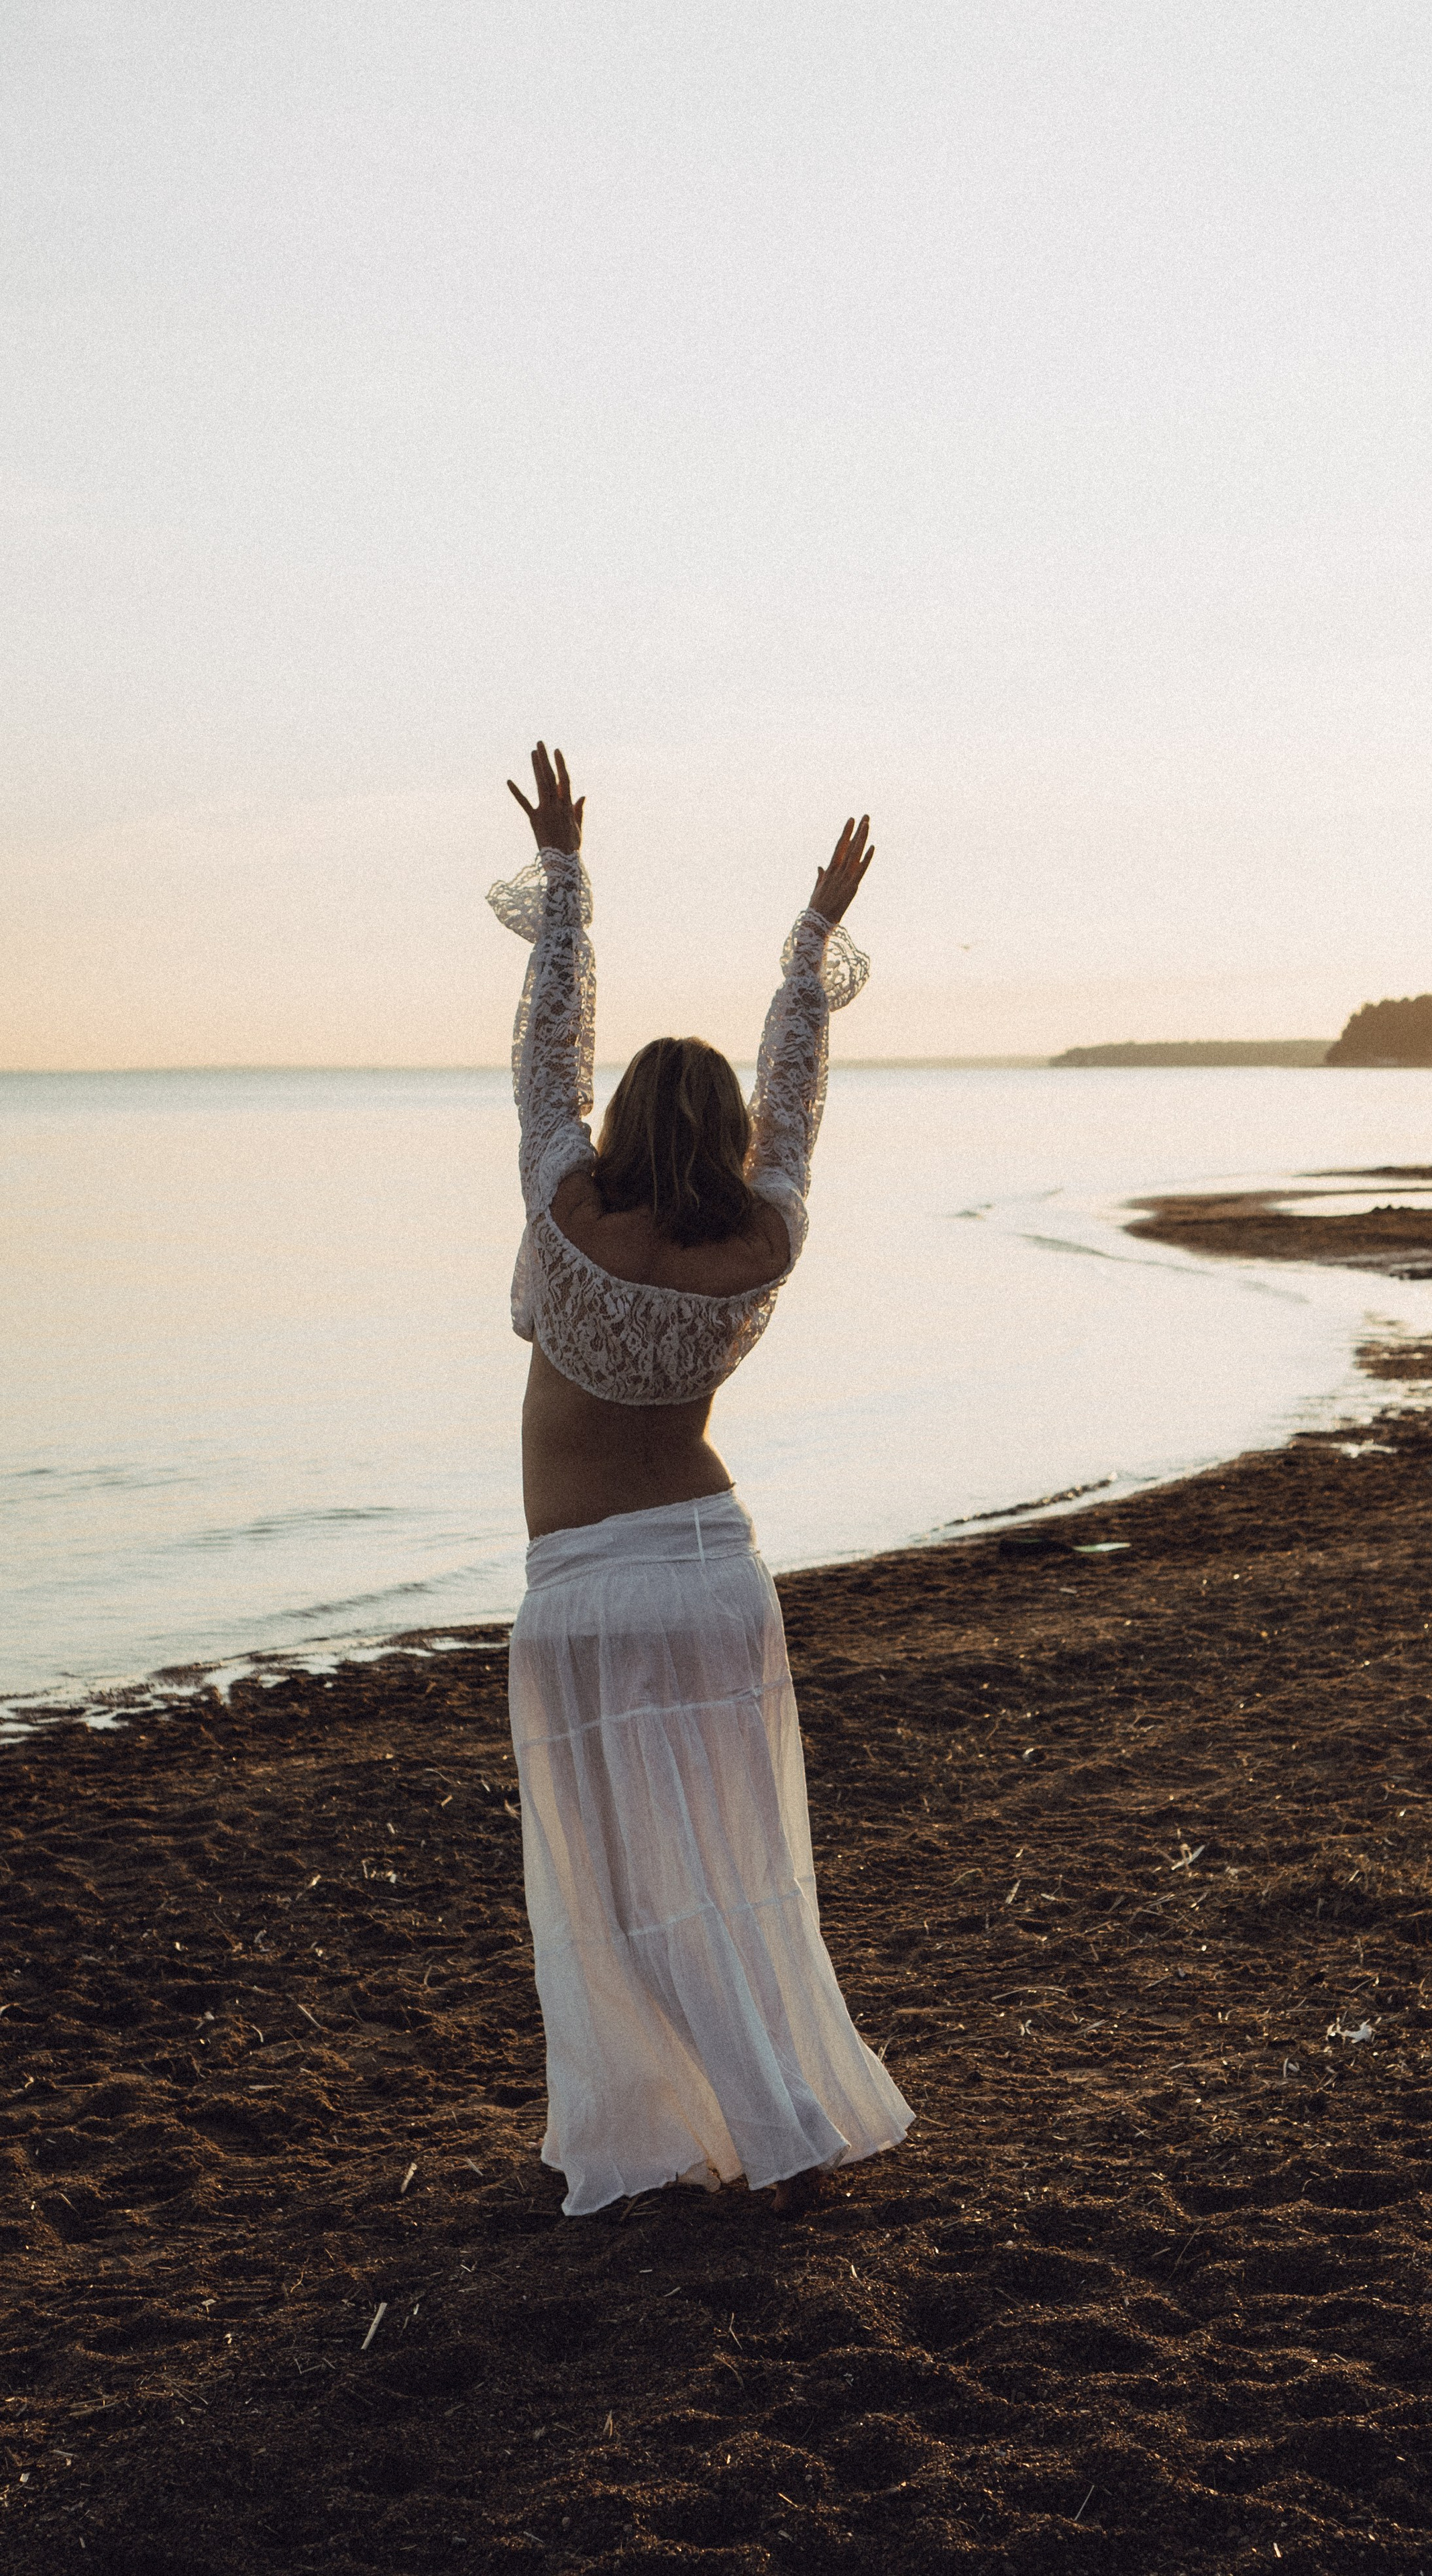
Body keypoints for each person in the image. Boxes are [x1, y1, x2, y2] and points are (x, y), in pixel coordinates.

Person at [488, 741, 913, 2218]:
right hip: (710, 1568)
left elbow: (545, 1044)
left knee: (612, 1895)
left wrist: (566, 883)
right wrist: (807, 941)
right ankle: (767, 2111)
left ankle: (683, 2131)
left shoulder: (563, 1208)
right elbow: (798, 1097)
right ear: (726, 1140)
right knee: (730, 1866)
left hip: (590, 1588)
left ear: (617, 1127)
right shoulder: (764, 1241)